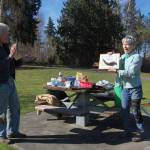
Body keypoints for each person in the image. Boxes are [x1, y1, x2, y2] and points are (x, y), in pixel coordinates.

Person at [108, 35, 144, 142]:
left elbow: (131, 73)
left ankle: (140, 133)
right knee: (125, 111)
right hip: (125, 89)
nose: (125, 46)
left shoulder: (137, 57)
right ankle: (127, 131)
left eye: (127, 44)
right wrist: (111, 56)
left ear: (133, 46)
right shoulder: (123, 57)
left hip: (135, 88)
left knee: (136, 111)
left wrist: (117, 71)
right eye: (123, 44)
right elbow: (115, 65)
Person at [0, 23, 13, 144]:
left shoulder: (4, 47)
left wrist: (24, 60)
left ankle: (12, 131)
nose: (8, 35)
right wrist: (10, 56)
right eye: (6, 33)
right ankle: (1, 136)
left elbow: (9, 64)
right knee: (1, 111)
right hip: (1, 83)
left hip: (8, 81)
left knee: (13, 108)